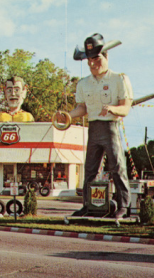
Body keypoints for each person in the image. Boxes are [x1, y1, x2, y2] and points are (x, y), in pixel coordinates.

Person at [56, 33, 133, 219]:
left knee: (117, 167)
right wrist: (67, 116)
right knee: (90, 169)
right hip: (93, 128)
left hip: (110, 128)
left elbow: (126, 108)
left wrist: (113, 109)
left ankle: (123, 206)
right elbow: (81, 108)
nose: (92, 64)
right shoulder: (83, 84)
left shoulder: (119, 79)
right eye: (89, 60)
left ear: (106, 56)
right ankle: (88, 206)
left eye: (96, 59)